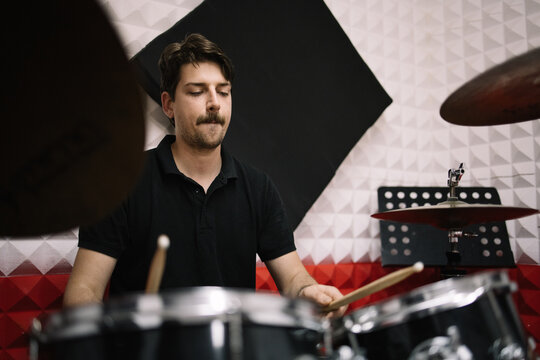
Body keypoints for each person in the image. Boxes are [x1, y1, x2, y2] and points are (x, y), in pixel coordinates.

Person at [63, 33, 346, 317]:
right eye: (197, 92)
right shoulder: (120, 183)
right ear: (168, 104)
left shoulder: (259, 188)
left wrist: (308, 291)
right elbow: (84, 291)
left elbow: (294, 280)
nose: (214, 103)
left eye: (223, 91)